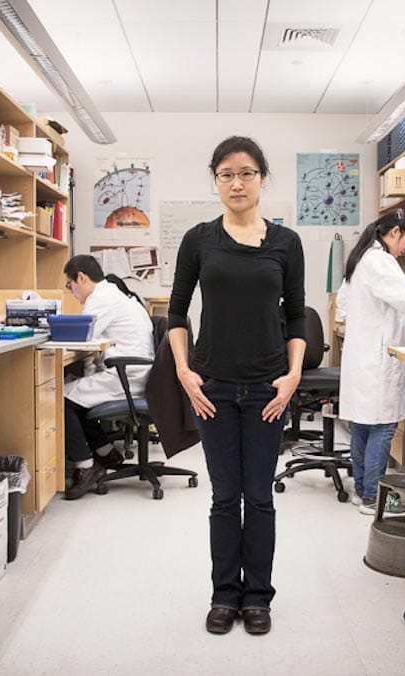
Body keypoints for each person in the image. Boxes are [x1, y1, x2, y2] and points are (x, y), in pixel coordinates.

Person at [167, 136, 306, 636]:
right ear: (216, 181)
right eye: (226, 174)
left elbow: (296, 317)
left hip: (270, 389)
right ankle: (225, 595)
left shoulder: (285, 243)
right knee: (225, 498)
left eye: (246, 173)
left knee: (260, 497)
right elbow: (177, 311)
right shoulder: (199, 239)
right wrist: (185, 370)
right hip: (214, 389)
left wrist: (292, 377)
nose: (236, 182)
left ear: (262, 178)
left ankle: (258, 598)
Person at [336, 210, 405, 515]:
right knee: (383, 425)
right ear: (395, 232)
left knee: (364, 426)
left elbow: (343, 303)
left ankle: (361, 492)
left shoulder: (361, 259)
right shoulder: (381, 261)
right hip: (378, 357)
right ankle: (372, 498)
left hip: (363, 354)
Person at [61, 255, 156, 500]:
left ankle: (85, 466)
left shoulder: (101, 298)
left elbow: (82, 336)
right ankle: (105, 452)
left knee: (60, 397)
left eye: (70, 285)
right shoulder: (115, 294)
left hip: (127, 375)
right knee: (78, 395)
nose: (72, 291)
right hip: (134, 372)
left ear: (81, 277)